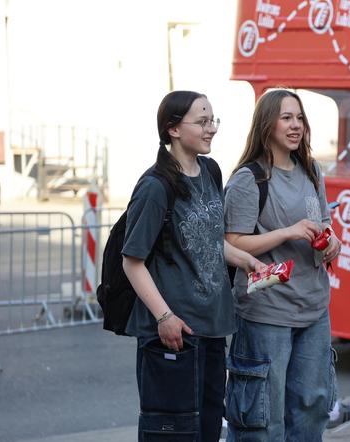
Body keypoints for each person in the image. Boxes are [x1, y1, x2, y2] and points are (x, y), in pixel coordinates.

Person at [122, 90, 265, 442]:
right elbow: (132, 261)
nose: (211, 129)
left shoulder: (211, 171)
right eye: (202, 121)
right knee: (173, 434)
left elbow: (207, 238)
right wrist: (164, 317)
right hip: (177, 333)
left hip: (214, 326)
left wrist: (244, 259)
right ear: (172, 129)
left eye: (212, 120)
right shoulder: (155, 187)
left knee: (208, 429)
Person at [224, 88, 342, 441]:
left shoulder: (311, 170)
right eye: (286, 117)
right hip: (267, 313)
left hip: (314, 310)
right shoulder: (250, 179)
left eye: (300, 117)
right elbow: (232, 243)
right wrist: (286, 232)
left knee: (311, 410)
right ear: (267, 124)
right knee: (263, 421)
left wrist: (331, 241)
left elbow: (323, 222)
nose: (296, 125)